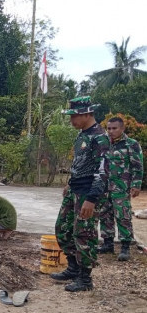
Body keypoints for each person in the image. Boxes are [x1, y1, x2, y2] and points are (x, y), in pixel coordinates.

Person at [51, 96, 109, 292]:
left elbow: (103, 171)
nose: (71, 121)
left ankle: (85, 279)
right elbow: (80, 163)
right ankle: (73, 267)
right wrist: (69, 184)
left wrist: (92, 199)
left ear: (86, 114)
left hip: (88, 192)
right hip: (75, 189)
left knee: (84, 233)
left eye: (74, 116)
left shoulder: (99, 137)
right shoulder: (82, 135)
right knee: (62, 228)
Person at [97, 116, 143, 261]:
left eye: (114, 128)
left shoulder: (131, 144)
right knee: (105, 214)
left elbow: (137, 165)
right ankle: (107, 243)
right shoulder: (104, 144)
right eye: (109, 128)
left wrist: (136, 185)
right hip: (104, 187)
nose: (111, 131)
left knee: (123, 216)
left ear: (122, 129)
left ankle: (125, 247)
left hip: (121, 188)